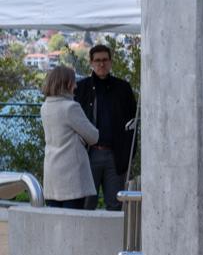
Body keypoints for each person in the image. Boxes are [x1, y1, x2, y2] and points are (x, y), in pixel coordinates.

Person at [74, 44, 138, 211]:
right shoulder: (81, 88)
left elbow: (133, 122)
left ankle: (115, 238)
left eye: (105, 60)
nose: (101, 64)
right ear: (91, 63)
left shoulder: (123, 88)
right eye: (97, 60)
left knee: (116, 205)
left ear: (110, 62)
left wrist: (128, 155)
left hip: (115, 157)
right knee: (86, 205)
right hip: (89, 155)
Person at [41, 66, 99, 209]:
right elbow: (93, 136)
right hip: (72, 178)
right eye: (73, 82)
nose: (76, 85)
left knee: (55, 224)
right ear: (67, 83)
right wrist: (80, 137)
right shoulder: (71, 107)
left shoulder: (45, 107)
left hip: (52, 174)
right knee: (73, 225)